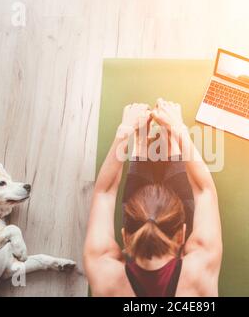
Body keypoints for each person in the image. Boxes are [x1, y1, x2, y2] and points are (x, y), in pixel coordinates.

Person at [84, 99, 222, 297]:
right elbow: (204, 189)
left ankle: (143, 144)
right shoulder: (199, 270)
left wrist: (176, 128)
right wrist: (176, 129)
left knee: (147, 212)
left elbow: (104, 193)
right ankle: (167, 145)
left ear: (125, 237)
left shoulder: (107, 276)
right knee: (150, 214)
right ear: (182, 234)